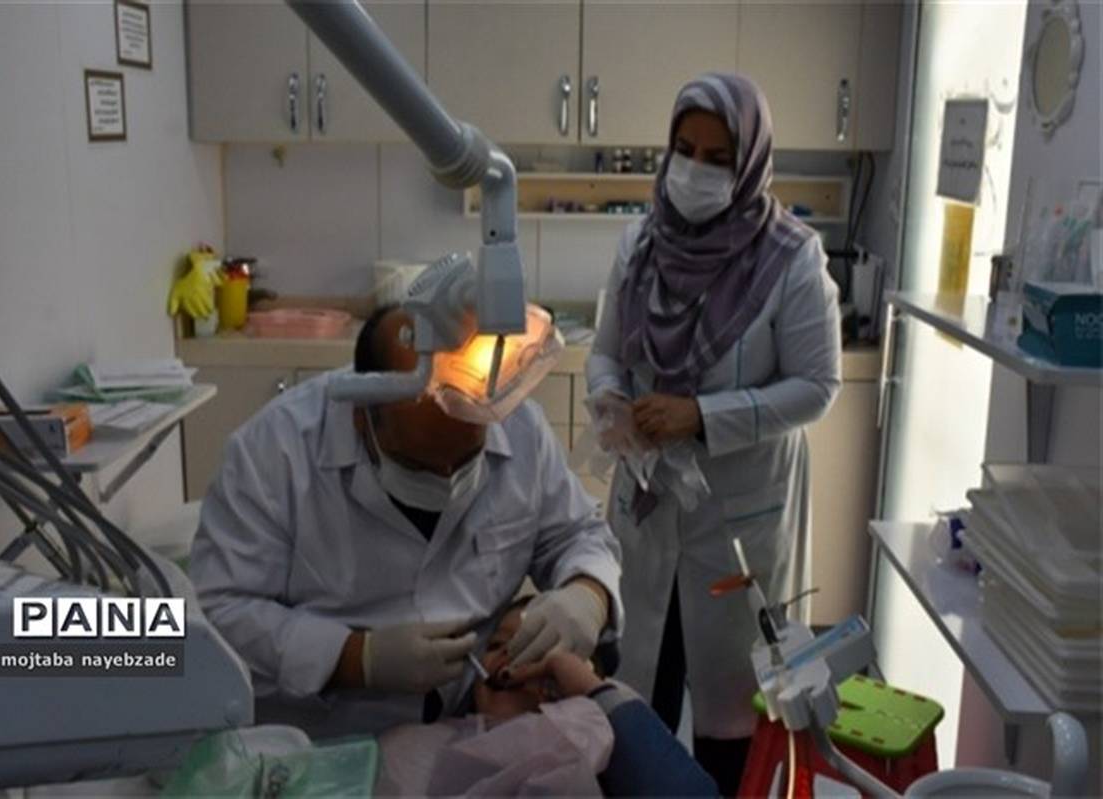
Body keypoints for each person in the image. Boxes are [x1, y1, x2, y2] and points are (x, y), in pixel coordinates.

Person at [190, 306, 623, 740]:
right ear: (362, 416)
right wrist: (354, 658)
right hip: (320, 743)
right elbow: (215, 611)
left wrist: (588, 595)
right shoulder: (274, 451)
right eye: (419, 466)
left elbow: (577, 534)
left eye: (466, 460)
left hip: (466, 731)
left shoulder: (519, 427)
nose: (447, 481)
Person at [586, 72, 841, 795]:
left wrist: (700, 414)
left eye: (718, 157)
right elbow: (604, 353)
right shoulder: (641, 245)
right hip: (648, 504)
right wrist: (612, 401)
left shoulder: (791, 258)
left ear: (750, 162)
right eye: (684, 149)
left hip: (739, 518)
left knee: (734, 715)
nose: (694, 170)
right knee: (637, 688)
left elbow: (818, 385)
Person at [377, 598, 718, 797]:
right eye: (496, 645)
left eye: (533, 649)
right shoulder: (414, 748)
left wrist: (593, 691)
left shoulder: (600, 746)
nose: (508, 656)